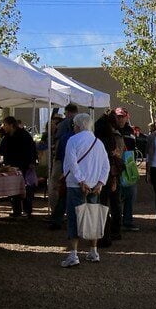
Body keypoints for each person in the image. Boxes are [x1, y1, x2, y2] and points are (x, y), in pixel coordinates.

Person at [61, 113, 110, 267]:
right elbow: (106, 165)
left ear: (78, 125)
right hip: (94, 186)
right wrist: (100, 183)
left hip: (77, 185)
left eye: (74, 124)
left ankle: (74, 254)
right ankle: (93, 251)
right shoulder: (98, 142)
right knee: (93, 217)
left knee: (74, 218)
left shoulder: (73, 140)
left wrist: (81, 180)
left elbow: (72, 163)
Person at [0, 116, 38, 218]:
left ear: (11, 125)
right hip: (11, 166)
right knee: (12, 189)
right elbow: (1, 150)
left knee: (25, 189)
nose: (4, 127)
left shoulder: (24, 135)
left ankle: (27, 211)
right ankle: (17, 211)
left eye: (5, 124)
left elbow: (31, 150)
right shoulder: (7, 136)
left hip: (23, 166)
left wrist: (31, 163)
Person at [94, 112, 124, 243]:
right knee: (115, 204)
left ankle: (105, 235)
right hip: (112, 173)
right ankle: (115, 231)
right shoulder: (112, 137)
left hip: (103, 175)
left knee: (103, 205)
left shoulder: (99, 139)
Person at [48, 104, 78, 230]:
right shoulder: (86, 137)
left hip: (63, 163)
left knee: (59, 190)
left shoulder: (65, 134)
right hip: (76, 167)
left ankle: (56, 216)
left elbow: (59, 149)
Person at [114, 107, 141, 232]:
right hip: (115, 167)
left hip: (128, 166)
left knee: (130, 194)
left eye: (122, 116)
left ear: (126, 117)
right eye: (118, 116)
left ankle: (128, 220)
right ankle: (116, 221)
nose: (120, 119)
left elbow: (132, 148)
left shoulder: (130, 130)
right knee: (116, 195)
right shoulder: (112, 130)